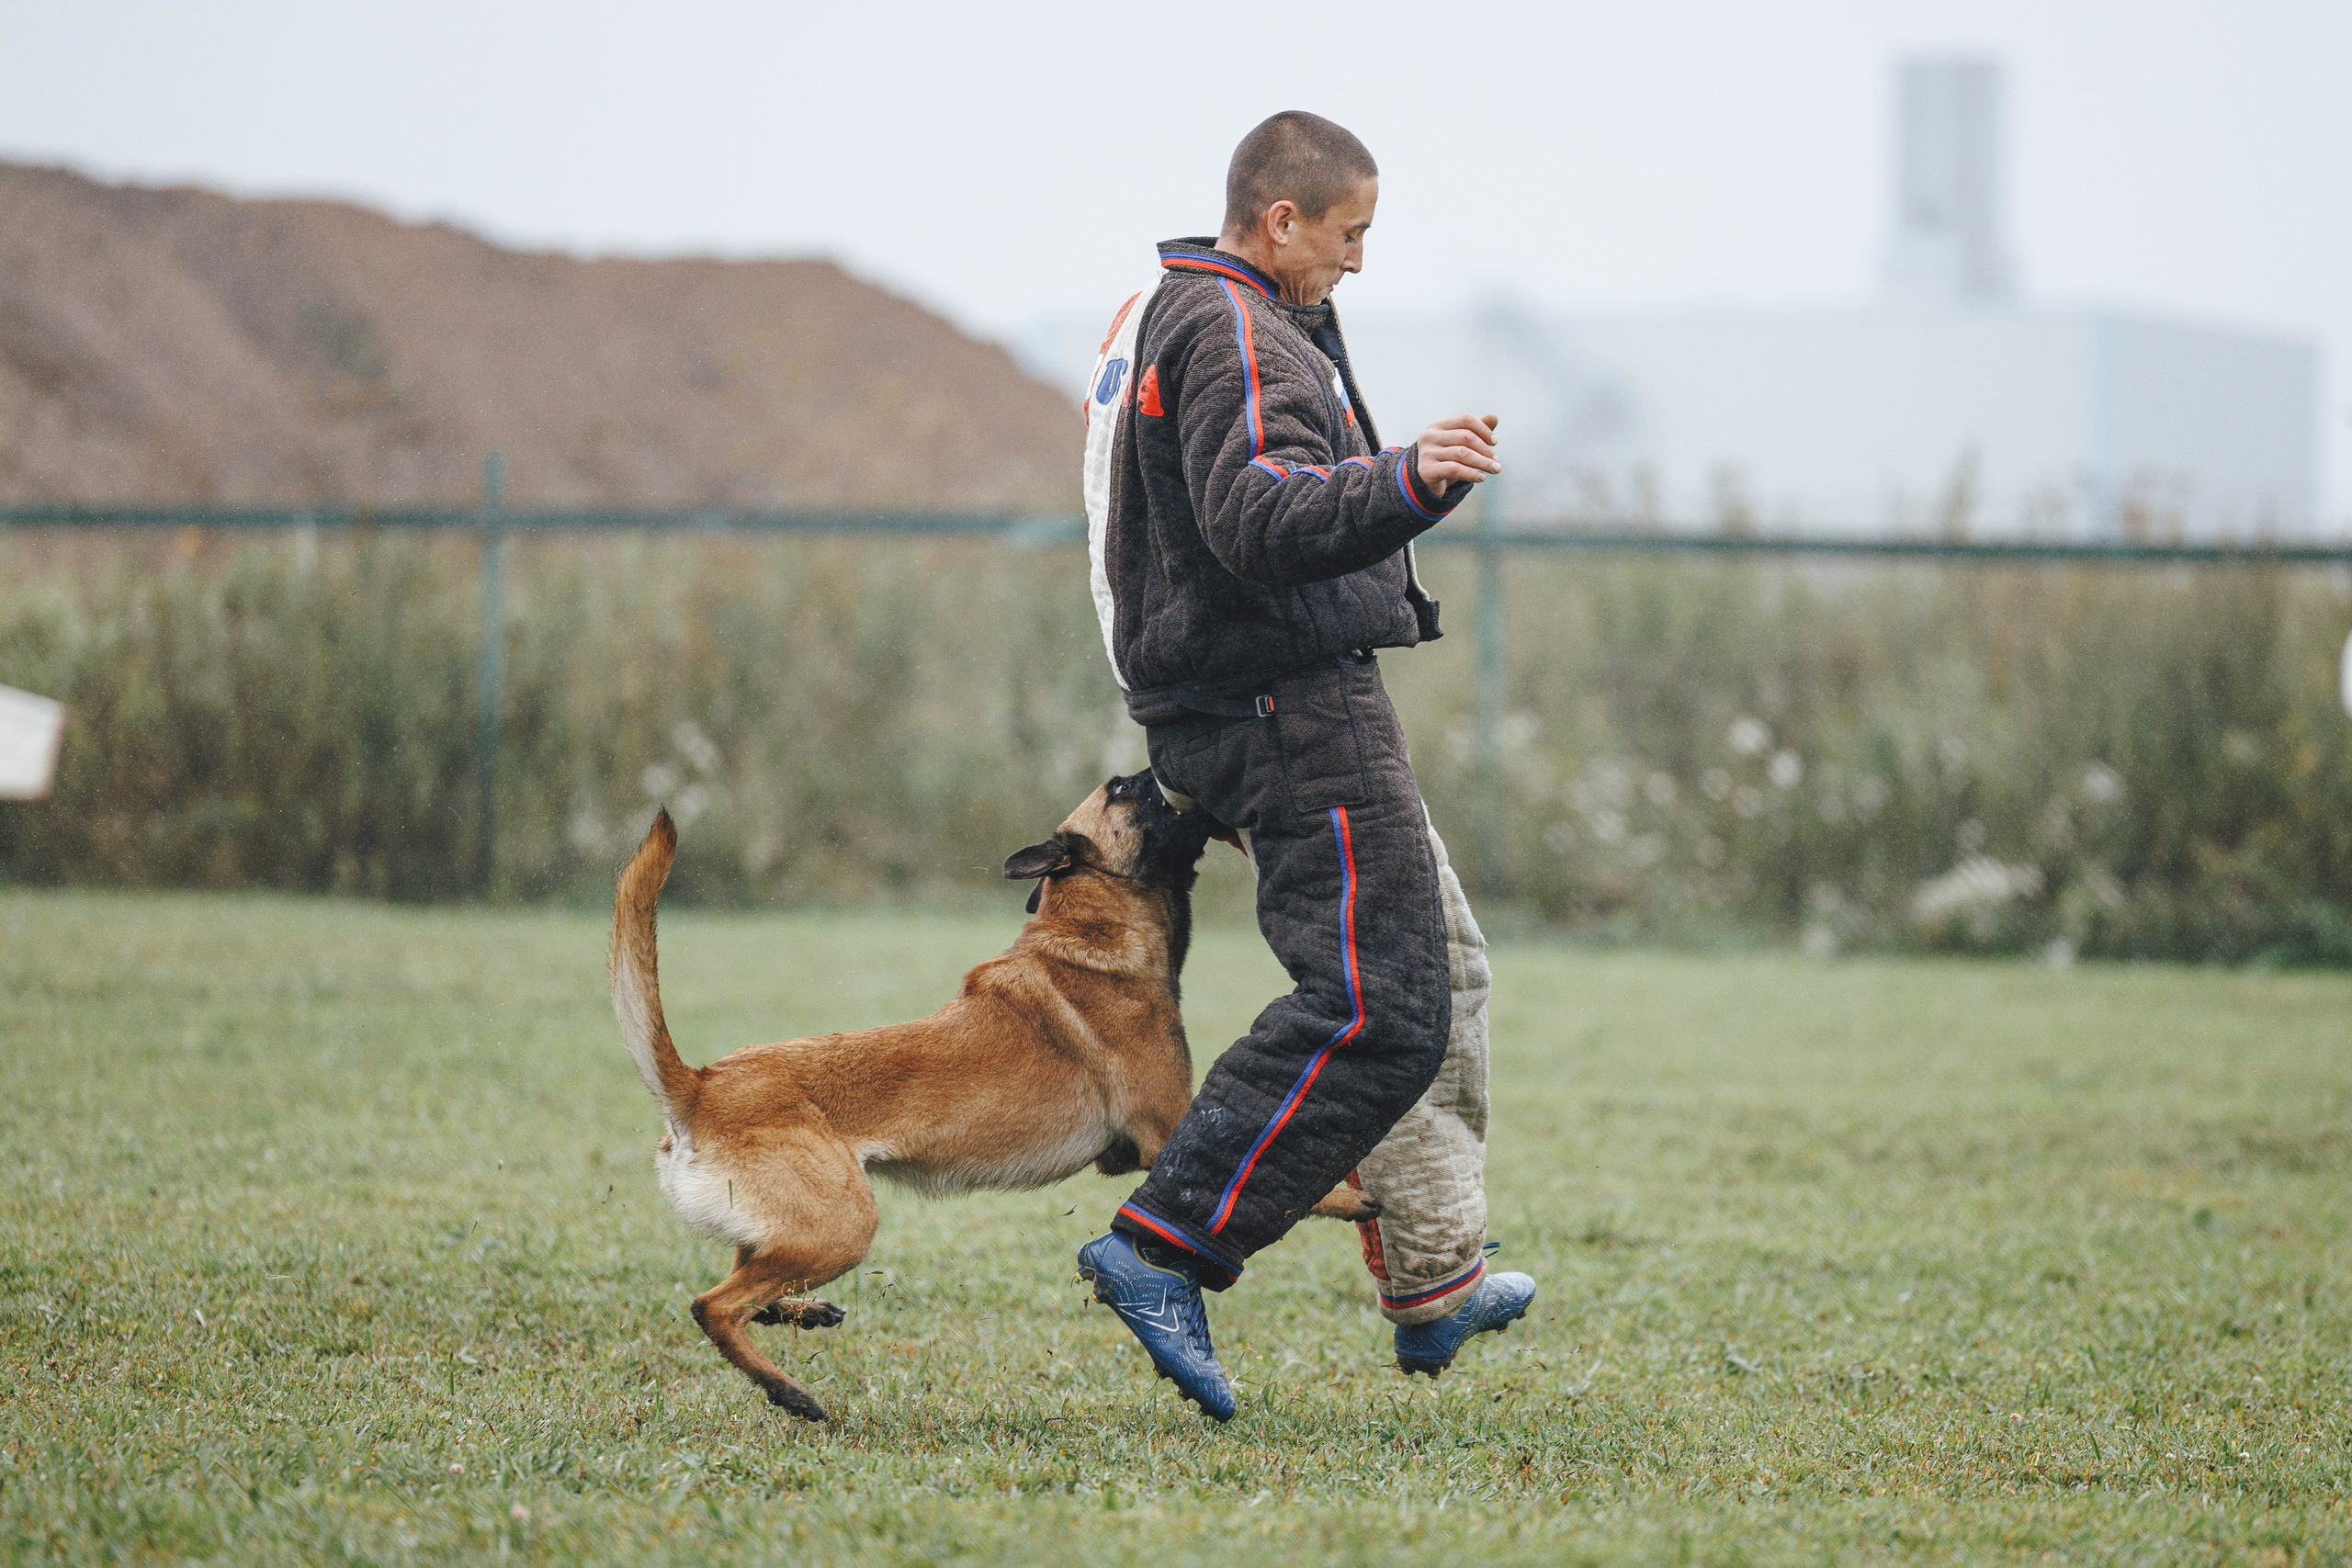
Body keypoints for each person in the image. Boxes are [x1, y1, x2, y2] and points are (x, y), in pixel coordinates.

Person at [1072, 110, 1536, 1422]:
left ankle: (1436, 1271)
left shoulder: (1189, 312)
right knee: (1377, 1007)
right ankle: (1165, 1246)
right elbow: (1257, 516)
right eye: (1349, 235)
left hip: (1264, 697)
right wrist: (1408, 482)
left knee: (1439, 974)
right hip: (1282, 708)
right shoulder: (1227, 328)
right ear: (1279, 221)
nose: (1359, 262)